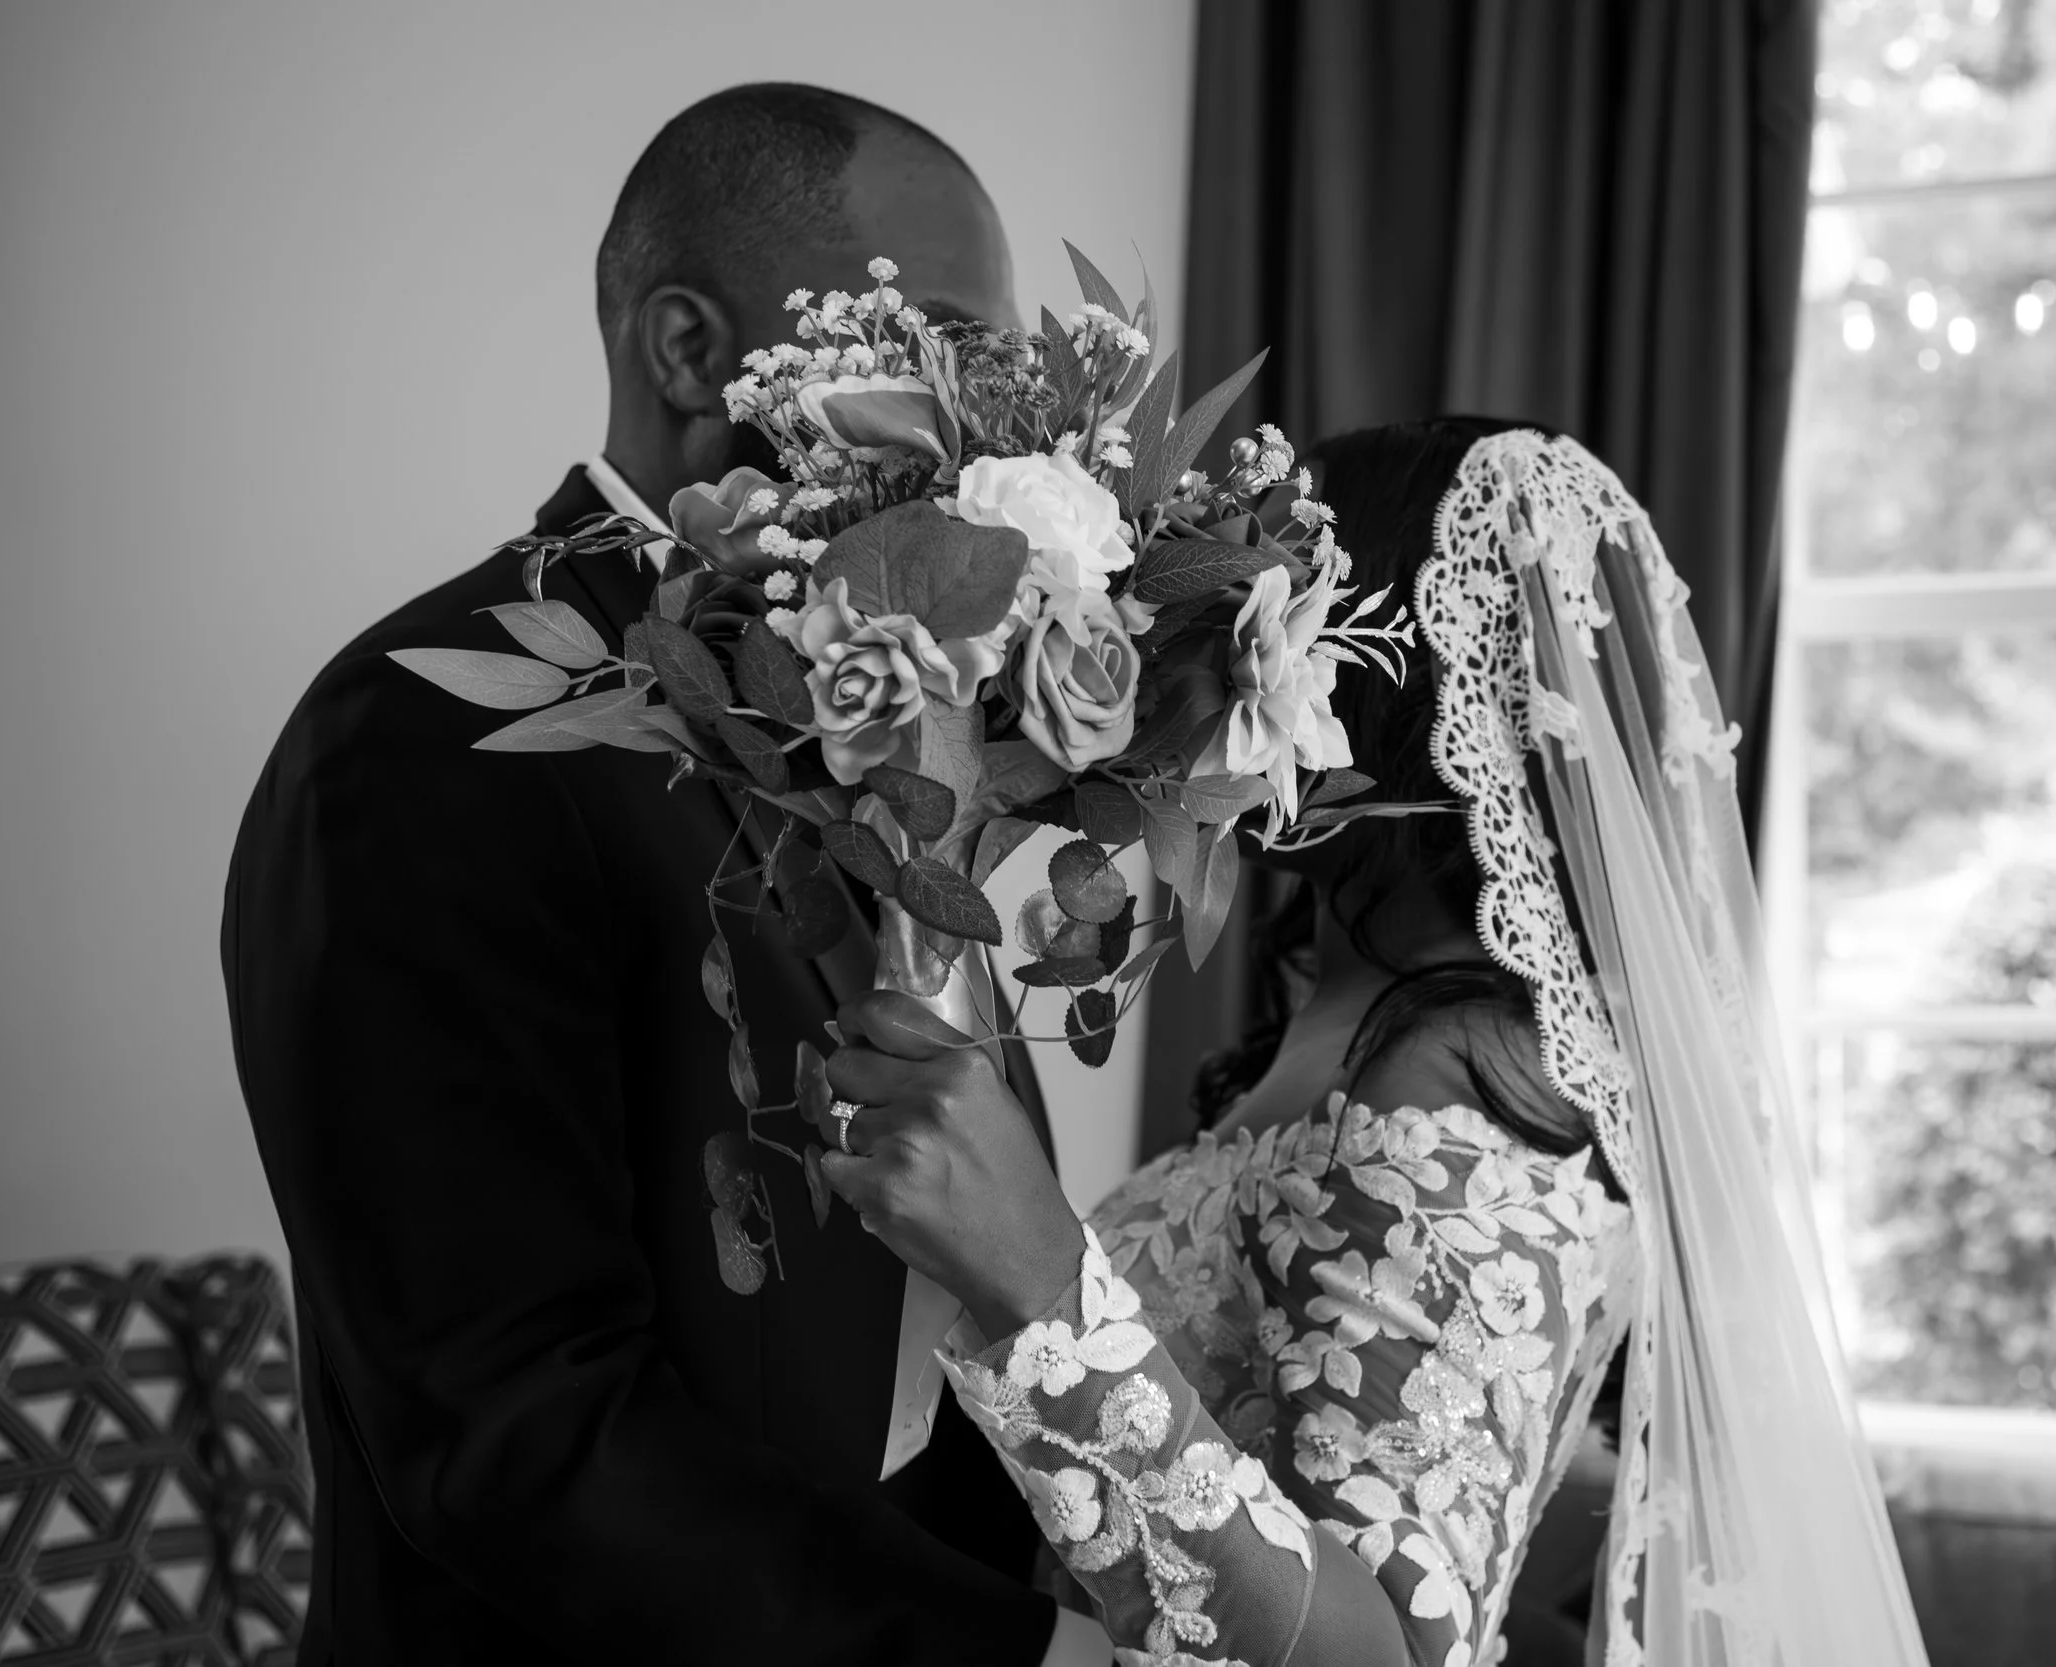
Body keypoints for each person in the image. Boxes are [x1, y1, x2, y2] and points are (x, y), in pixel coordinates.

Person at [222, 83, 1110, 1665]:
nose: (996, 423)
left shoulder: (894, 691)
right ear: (693, 349)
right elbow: (518, 1422)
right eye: (946, 343)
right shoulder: (425, 735)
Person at [818, 417, 1933, 1666]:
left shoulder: (1452, 1075)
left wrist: (1040, 1286)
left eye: (1229, 611)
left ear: (1348, 671)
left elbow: (1391, 1651)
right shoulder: (1361, 1028)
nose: (1174, 662)